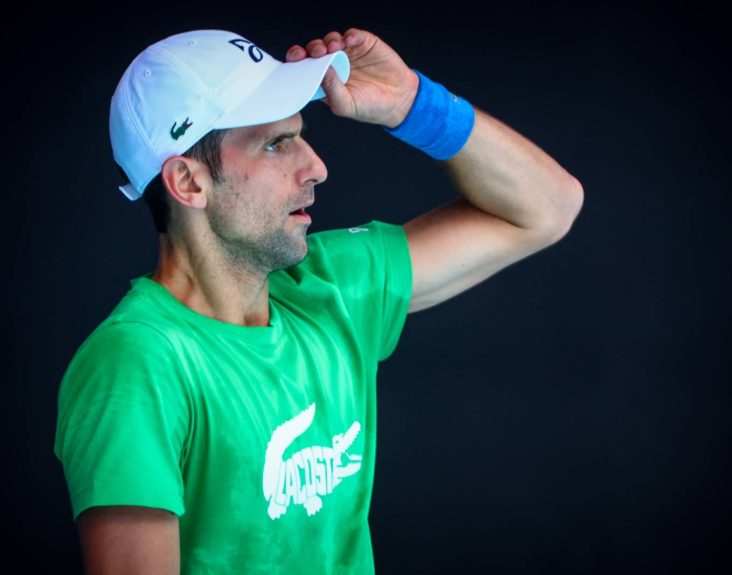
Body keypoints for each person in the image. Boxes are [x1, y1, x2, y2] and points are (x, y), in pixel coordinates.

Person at [54, 26, 583, 574]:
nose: (317, 167)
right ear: (188, 183)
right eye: (276, 144)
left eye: (300, 135)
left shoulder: (328, 288)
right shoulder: (136, 365)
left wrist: (413, 104)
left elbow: (548, 207)